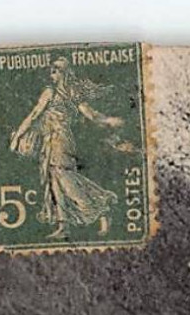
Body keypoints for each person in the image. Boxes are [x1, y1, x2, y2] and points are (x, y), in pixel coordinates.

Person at [9, 58, 127, 240]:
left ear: (64, 72)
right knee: (54, 181)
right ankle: (63, 225)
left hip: (58, 140)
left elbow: (34, 115)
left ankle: (102, 206)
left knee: (65, 179)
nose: (52, 74)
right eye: (51, 70)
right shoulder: (69, 92)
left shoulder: (52, 92)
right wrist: (107, 120)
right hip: (53, 140)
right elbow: (92, 115)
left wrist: (18, 136)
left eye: (55, 70)